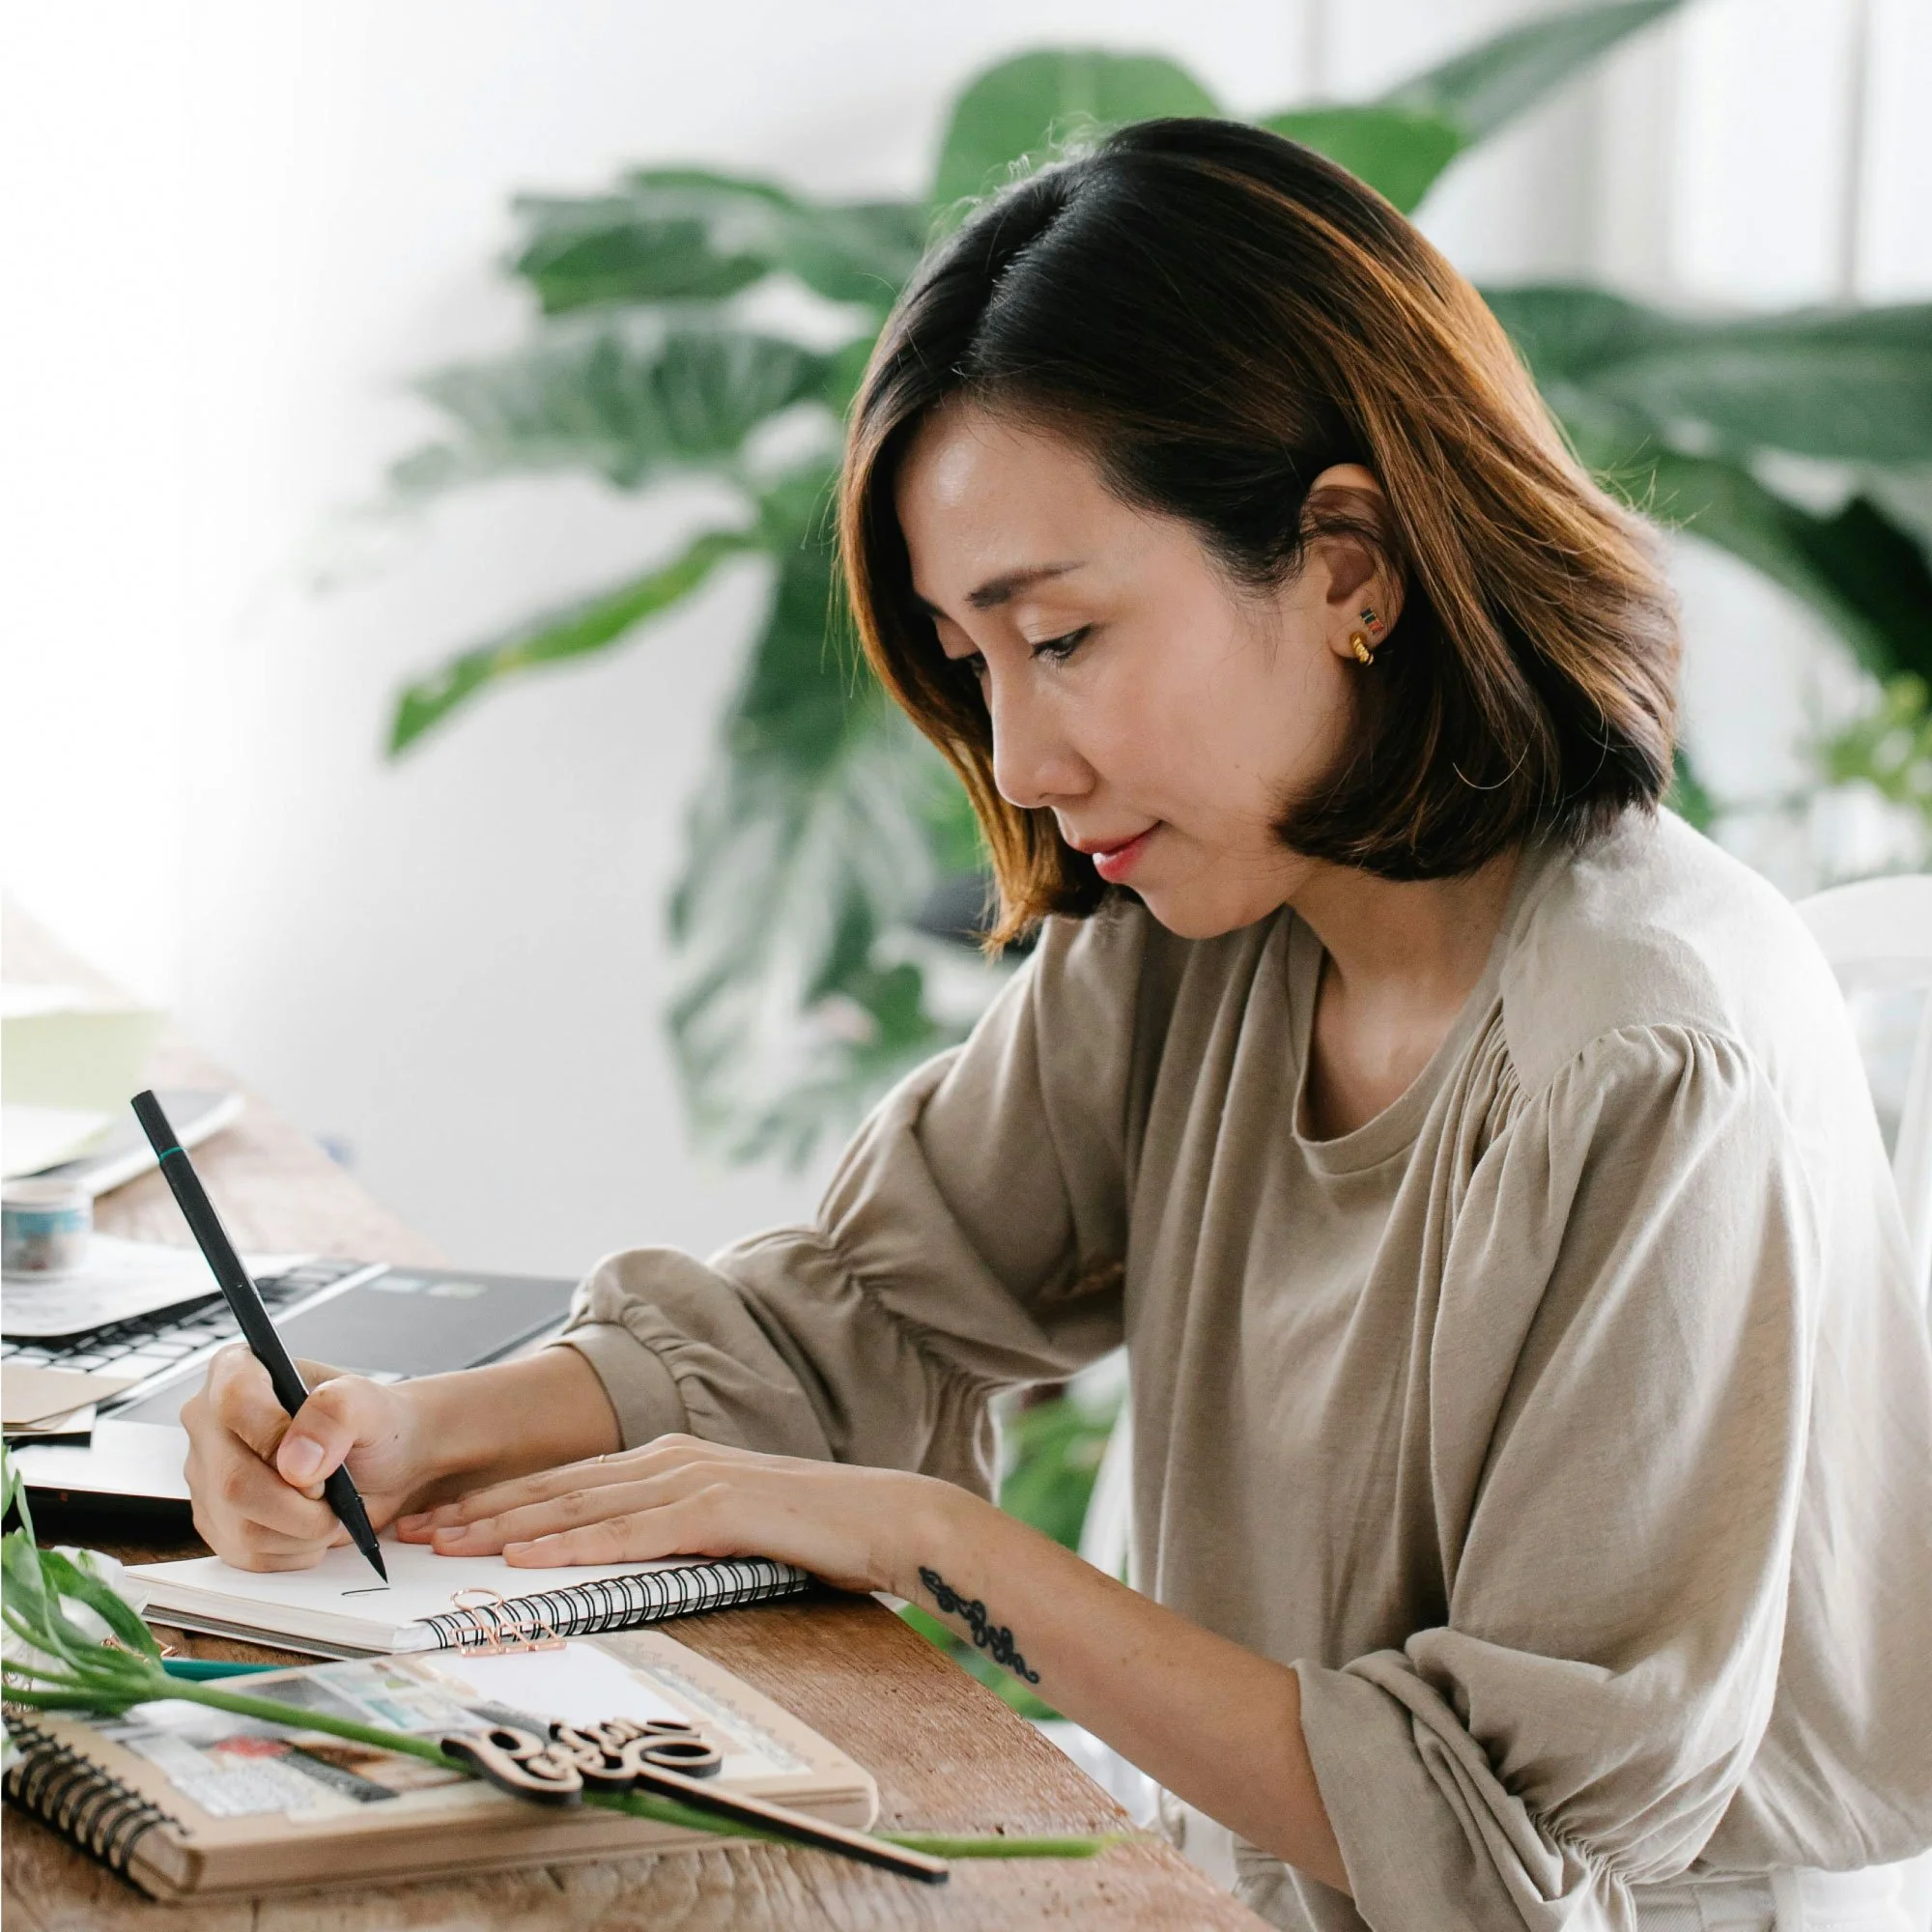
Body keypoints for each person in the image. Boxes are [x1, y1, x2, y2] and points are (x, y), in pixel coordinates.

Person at [181, 121, 1932, 1932]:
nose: (1020, 764)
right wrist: (419, 1427)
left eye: (1067, 638)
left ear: (1350, 565)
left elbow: (1505, 1840)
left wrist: (936, 1546)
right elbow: (862, 1310)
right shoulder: (1214, 923)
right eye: (971, 661)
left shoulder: (1653, 1046)